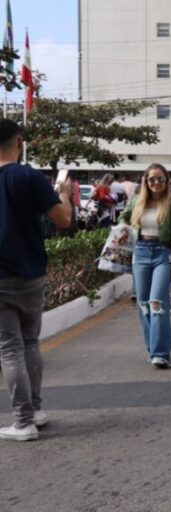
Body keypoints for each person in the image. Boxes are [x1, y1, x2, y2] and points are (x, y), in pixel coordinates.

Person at [0, 120, 73, 441]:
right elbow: (64, 220)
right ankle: (37, 411)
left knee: (10, 349)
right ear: (18, 141)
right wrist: (66, 195)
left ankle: (23, 421)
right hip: (31, 272)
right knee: (29, 343)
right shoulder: (29, 177)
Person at [120, 164, 171, 369]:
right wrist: (123, 228)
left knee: (157, 301)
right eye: (151, 179)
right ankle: (154, 346)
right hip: (140, 253)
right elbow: (124, 216)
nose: (156, 183)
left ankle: (161, 353)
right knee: (143, 304)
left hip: (163, 254)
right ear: (146, 181)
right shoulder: (137, 201)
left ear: (167, 182)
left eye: (160, 179)